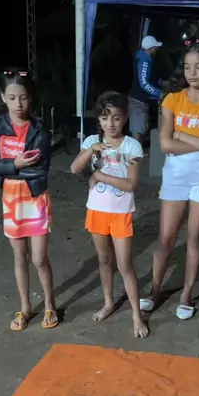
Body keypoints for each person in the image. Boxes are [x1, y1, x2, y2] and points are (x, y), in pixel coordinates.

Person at [140, 43, 199, 320]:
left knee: (195, 238)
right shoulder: (172, 99)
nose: (192, 72)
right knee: (165, 239)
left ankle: (186, 295)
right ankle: (155, 290)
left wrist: (183, 136)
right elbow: (165, 144)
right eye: (188, 67)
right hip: (176, 177)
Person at [0, 69, 58, 331]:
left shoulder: (40, 131)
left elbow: (40, 169)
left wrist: (4, 166)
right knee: (19, 258)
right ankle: (25, 307)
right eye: (12, 98)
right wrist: (16, 164)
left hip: (35, 198)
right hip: (11, 200)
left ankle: (50, 304)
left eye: (23, 97)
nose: (18, 104)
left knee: (39, 259)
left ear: (30, 97)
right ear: (2, 97)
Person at [70, 91, 149, 339]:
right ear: (99, 119)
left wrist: (99, 175)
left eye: (116, 118)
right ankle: (108, 302)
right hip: (97, 210)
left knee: (125, 264)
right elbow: (74, 168)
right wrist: (91, 150)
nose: (111, 124)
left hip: (121, 213)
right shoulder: (92, 141)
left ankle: (136, 314)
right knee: (104, 260)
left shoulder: (132, 146)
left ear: (124, 118)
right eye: (105, 118)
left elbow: (130, 185)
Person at [128, 35, 163, 142]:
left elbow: (147, 79)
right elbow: (144, 83)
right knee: (138, 131)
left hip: (140, 100)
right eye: (155, 47)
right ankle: (135, 151)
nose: (156, 49)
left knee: (141, 129)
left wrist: (160, 83)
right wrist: (158, 93)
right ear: (150, 48)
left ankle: (136, 150)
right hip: (138, 101)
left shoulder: (145, 60)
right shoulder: (145, 61)